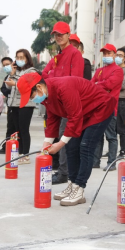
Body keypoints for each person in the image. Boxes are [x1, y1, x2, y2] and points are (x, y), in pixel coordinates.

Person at [16, 72, 116, 206]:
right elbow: (52, 120)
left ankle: (79, 188)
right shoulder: (47, 97)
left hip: (100, 108)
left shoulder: (63, 88)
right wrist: (47, 144)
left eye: (31, 96)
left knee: (85, 146)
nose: (32, 99)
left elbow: (74, 117)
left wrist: (60, 143)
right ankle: (72, 183)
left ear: (39, 87)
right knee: (71, 146)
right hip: (83, 112)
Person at [42, 22, 85, 185]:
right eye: (56, 34)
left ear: (68, 35)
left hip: (69, 103)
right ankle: (64, 172)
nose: (58, 37)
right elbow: (44, 75)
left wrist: (54, 77)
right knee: (58, 134)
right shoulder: (56, 57)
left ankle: (64, 174)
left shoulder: (75, 54)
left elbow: (75, 81)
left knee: (66, 139)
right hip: (55, 101)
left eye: (61, 34)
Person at [91, 44, 124, 171]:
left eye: (109, 53)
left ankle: (112, 163)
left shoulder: (117, 70)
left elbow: (110, 84)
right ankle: (95, 161)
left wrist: (98, 84)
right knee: (98, 136)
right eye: (104, 54)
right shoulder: (99, 70)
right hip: (97, 107)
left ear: (114, 55)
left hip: (110, 107)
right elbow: (90, 84)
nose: (106, 56)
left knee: (111, 136)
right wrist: (100, 84)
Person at [5, 49, 38, 165]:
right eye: (17, 57)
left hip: (26, 104)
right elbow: (9, 88)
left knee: (24, 129)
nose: (19, 60)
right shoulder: (16, 71)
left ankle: (26, 155)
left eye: (22, 57)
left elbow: (27, 86)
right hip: (14, 104)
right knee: (17, 130)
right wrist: (12, 74)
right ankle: (19, 153)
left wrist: (15, 82)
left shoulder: (31, 71)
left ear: (27, 58)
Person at [0, 57, 16, 154]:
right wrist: (9, 92)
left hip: (19, 105)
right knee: (10, 127)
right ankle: (6, 147)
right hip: (10, 104)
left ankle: (19, 149)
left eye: (7, 64)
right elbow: (3, 88)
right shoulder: (7, 77)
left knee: (19, 128)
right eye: (4, 65)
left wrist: (11, 91)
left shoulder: (17, 75)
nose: (6, 67)